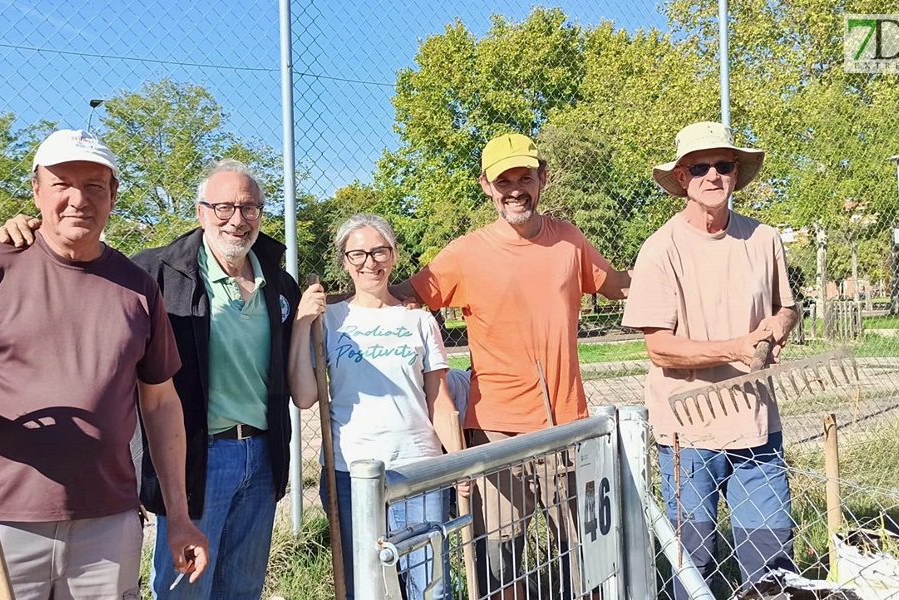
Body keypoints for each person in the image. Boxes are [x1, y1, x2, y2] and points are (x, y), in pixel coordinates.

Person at [0, 129, 209, 599]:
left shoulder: (138, 288)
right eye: (61, 183)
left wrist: (180, 518)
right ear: (37, 190)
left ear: (113, 196)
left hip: (107, 523)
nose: (77, 199)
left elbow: (162, 404)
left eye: (93, 185)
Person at [0, 158, 302, 599]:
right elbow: (84, 273)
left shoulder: (278, 281)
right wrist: (32, 235)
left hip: (262, 454)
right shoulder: (154, 273)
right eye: (224, 207)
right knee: (185, 588)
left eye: (250, 208)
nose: (238, 219)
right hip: (198, 457)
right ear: (201, 211)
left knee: (243, 586)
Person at [390, 133, 632, 599]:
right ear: (486, 185)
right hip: (496, 433)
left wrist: (677, 278)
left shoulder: (569, 241)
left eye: (526, 177)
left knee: (586, 555)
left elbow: (619, 285)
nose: (516, 189)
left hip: (567, 427)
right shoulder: (464, 253)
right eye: (504, 180)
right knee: (501, 564)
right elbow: (401, 295)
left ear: (543, 179)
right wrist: (326, 308)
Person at [621, 121, 799, 598]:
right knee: (693, 565)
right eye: (699, 167)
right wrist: (737, 347)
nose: (713, 176)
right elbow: (659, 346)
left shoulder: (763, 240)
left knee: (772, 561)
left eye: (723, 165)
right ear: (682, 178)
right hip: (688, 432)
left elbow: (787, 306)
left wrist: (779, 328)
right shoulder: (661, 249)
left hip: (757, 426)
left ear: (736, 172)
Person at [289, 213, 465, 600]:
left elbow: (438, 398)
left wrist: (459, 464)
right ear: (344, 260)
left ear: (394, 254)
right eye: (358, 254)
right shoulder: (329, 321)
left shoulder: (418, 320)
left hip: (419, 468)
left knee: (430, 587)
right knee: (365, 587)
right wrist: (301, 324)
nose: (370, 262)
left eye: (379, 251)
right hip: (351, 471)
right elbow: (304, 396)